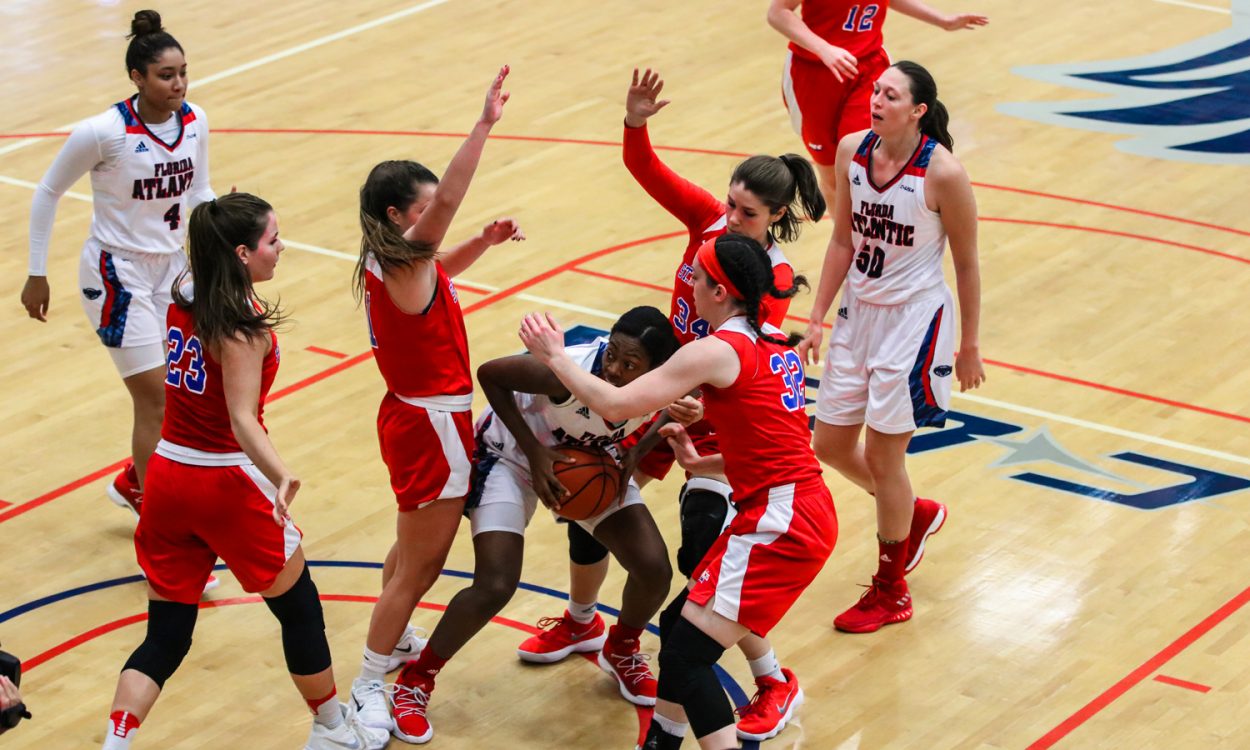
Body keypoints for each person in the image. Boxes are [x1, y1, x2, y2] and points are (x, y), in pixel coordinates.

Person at [520, 67, 826, 743]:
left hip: (713, 410)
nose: (728, 221)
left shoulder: (765, 281)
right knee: (591, 497)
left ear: (777, 218)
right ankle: (585, 625)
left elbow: (732, 364)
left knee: (703, 562)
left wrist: (569, 363)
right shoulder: (710, 226)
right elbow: (646, 168)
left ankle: (771, 677)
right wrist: (635, 121)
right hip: (667, 394)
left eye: (746, 213)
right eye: (729, 204)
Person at [100, 193, 385, 750]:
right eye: (272, 240)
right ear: (240, 252)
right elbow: (239, 419)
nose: (280, 248)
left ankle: (116, 740)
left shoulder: (185, 293)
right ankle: (331, 729)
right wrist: (281, 472)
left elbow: (201, 238)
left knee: (167, 636)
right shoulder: (242, 325)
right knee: (300, 611)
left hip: (165, 477)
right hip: (224, 481)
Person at [393, 307, 686, 736]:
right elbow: (490, 374)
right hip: (510, 456)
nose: (615, 370)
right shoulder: (564, 373)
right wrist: (532, 450)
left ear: (655, 370)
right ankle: (415, 681)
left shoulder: (666, 386)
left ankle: (620, 649)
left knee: (654, 567)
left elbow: (670, 410)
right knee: (496, 583)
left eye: (630, 365)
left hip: (584, 464)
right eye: (614, 356)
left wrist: (632, 459)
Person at [347, 67, 520, 745]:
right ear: (399, 217)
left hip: (415, 415)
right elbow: (448, 197)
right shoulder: (404, 260)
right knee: (421, 566)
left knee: (407, 548)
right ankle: (368, 682)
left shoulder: (392, 260)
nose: (435, 215)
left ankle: (386, 647)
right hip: (430, 423)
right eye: (423, 210)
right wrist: (483, 124)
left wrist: (483, 242)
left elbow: (440, 265)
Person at [797, 60, 985, 634]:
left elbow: (967, 263)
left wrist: (971, 345)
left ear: (918, 110)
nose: (876, 100)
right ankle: (913, 512)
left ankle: (891, 590)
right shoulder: (852, 150)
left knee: (884, 456)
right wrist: (816, 318)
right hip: (859, 316)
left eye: (890, 95)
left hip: (915, 323)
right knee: (828, 443)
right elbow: (840, 241)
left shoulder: (943, 173)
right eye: (875, 91)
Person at [20, 9, 217, 523]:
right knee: (158, 402)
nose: (178, 84)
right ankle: (162, 529)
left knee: (181, 396)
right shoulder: (103, 132)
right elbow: (46, 192)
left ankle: (136, 483)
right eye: (166, 75)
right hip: (117, 275)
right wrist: (37, 271)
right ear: (137, 77)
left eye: (183, 72)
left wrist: (224, 223)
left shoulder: (195, 122)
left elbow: (198, 193)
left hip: (172, 271)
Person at [768, 0, 987, 209]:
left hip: (868, 68)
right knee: (832, 174)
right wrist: (824, 49)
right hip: (814, 71)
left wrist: (943, 20)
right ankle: (847, 243)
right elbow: (777, 12)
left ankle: (883, 235)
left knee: (869, 163)